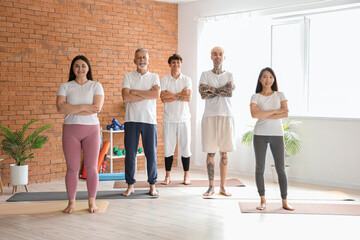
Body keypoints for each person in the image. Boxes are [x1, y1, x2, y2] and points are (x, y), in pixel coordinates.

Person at [56, 55, 104, 213]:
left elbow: (97, 108)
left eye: (83, 66)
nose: (80, 69)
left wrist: (72, 107)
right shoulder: (65, 86)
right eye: (76, 66)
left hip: (92, 130)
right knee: (72, 168)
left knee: (91, 168)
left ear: (88, 68)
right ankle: (71, 203)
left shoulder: (96, 86)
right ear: (72, 69)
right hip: (71, 130)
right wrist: (85, 106)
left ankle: (92, 202)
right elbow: (61, 109)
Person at [250, 67, 294, 211]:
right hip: (260, 134)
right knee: (259, 168)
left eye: (270, 77)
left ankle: (284, 201)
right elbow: (254, 115)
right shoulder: (255, 96)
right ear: (260, 79)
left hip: (277, 134)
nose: (267, 79)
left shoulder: (280, 95)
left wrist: (264, 114)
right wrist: (276, 111)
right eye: (264, 77)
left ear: (274, 79)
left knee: (281, 169)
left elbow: (285, 113)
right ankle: (263, 200)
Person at [121, 48, 160, 196]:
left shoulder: (155, 77)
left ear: (148, 61)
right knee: (130, 154)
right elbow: (126, 97)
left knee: (151, 154)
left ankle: (152, 185)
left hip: (149, 121)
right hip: (131, 120)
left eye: (144, 57)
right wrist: (146, 94)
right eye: (139, 58)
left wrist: (135, 91)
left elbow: (156, 94)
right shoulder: (128, 77)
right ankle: (130, 185)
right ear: (134, 61)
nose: (142, 60)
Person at [199, 46, 235, 197]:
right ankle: (210, 187)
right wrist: (221, 89)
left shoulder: (230, 75)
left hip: (226, 116)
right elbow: (202, 94)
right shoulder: (205, 74)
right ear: (211, 57)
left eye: (220, 54)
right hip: (209, 116)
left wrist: (211, 89)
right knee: (211, 152)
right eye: (215, 54)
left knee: (224, 153)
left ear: (224, 57)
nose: (218, 56)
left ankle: (223, 187)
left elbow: (229, 93)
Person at [160, 53, 192, 185]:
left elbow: (188, 98)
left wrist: (171, 95)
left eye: (178, 62)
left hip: (184, 119)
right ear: (169, 64)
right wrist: (180, 94)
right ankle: (168, 176)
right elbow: (163, 98)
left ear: (181, 64)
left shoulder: (186, 79)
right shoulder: (164, 79)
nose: (176, 64)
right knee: (169, 148)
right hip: (169, 120)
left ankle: (186, 176)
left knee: (185, 148)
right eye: (173, 62)